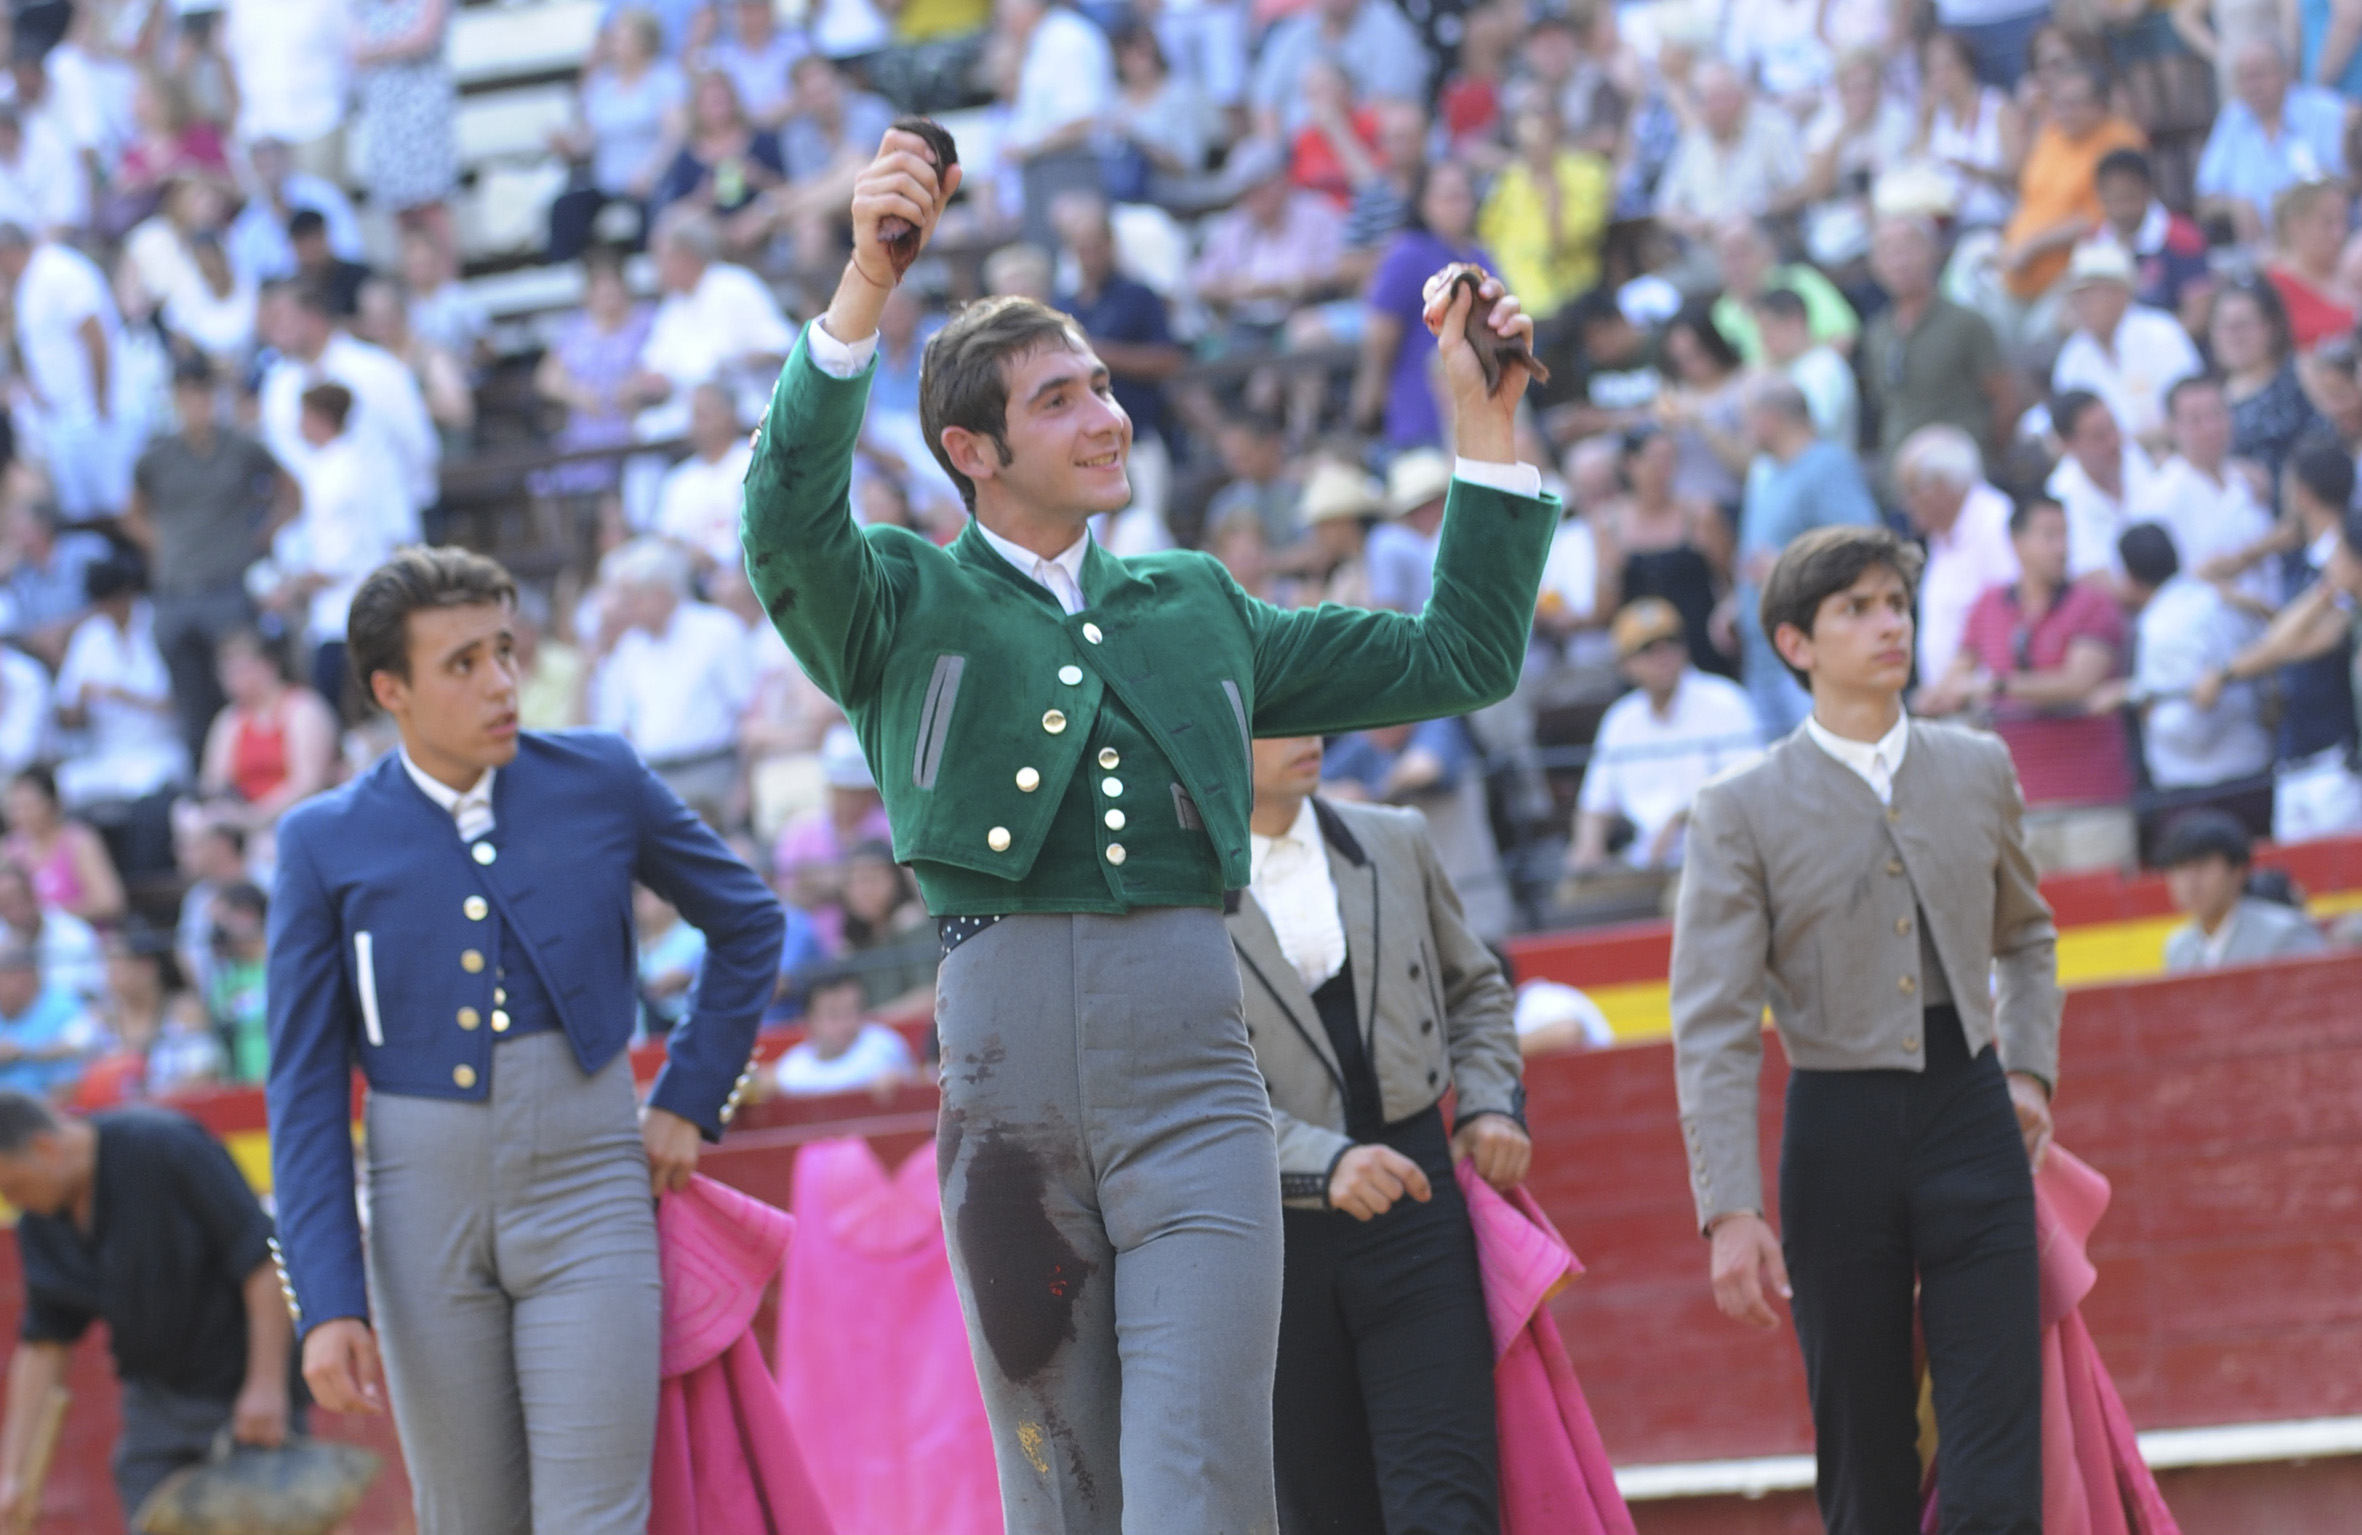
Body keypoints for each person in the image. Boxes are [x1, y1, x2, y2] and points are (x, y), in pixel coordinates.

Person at [742, 128, 1553, 1532]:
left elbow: (1460, 656)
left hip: (1196, 1075)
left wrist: (1483, 426)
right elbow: (781, 518)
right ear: (970, 450)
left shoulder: (1196, 602)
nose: (1107, 413)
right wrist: (865, 284)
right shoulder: (894, 599)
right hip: (1004, 1083)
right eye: (1060, 398)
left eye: (1104, 384)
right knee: (1065, 1486)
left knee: (1205, 1481)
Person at [266, 547, 785, 1534]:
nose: (501, 682)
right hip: (422, 1213)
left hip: (589, 1184)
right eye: (462, 663)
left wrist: (688, 1095)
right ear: (391, 690)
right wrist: (328, 1297)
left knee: (598, 1516)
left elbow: (748, 920)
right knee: (468, 1520)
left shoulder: (598, 774)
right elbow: (302, 1088)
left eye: (504, 650)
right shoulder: (321, 839)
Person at [1672, 523, 2059, 1535]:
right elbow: (1712, 1022)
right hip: (1836, 1132)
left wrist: (2028, 1072)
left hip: (1971, 1108)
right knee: (1864, 1448)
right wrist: (1729, 1208)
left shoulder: (1975, 766)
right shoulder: (1737, 808)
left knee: (1995, 1444)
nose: (1889, 624)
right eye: (1858, 608)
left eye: (1896, 602)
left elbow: (2025, 935)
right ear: (1795, 642)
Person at [1231, 731, 1527, 1533]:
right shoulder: (1175, 887)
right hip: (1274, 1235)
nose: (1309, 736)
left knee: (1450, 1506)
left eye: (1314, 713)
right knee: (1326, 1515)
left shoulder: (1395, 838)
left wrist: (1491, 1102)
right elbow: (1175, 1083)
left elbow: (1474, 990)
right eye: (1277, 718)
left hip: (1416, 1205)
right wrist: (1321, 1162)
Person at [0, 1094, 297, 1524]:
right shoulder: (44, 1215)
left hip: (240, 1399)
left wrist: (266, 1386)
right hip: (154, 1403)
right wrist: (12, 1475)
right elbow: (44, 1343)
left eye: (14, 1187)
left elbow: (262, 1264)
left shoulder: (164, 1145)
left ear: (46, 1148)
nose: (16, 1201)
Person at [1925, 495, 2138, 873]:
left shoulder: (2094, 604)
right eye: (2049, 536)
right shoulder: (1988, 604)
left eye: (2065, 535)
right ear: (2016, 542)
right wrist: (1938, 696)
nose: (2063, 547)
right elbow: (1957, 673)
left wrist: (1995, 687)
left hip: (2091, 800)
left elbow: (2079, 682)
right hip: (2017, 805)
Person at [2190, 446, 2362, 843]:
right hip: (2302, 750)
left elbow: (2293, 643)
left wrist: (2225, 672)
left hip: (2336, 753)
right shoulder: (2309, 558)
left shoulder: (2342, 559)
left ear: (2301, 493)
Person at [126, 357, 293, 760]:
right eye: (187, 395)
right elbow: (131, 512)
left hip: (227, 585)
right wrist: (162, 546)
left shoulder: (241, 447)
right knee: (189, 698)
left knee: (243, 687)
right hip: (175, 590)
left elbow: (290, 491)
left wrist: (259, 538)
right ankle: (204, 781)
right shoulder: (157, 456)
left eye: (202, 393)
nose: (196, 404)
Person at [1567, 598, 1762, 875]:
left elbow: (1748, 792)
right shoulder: (1620, 719)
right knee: (1573, 900)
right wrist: (1587, 847)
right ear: (1625, 665)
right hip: (1645, 863)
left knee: (1681, 898)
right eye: (1647, 649)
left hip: (1722, 855)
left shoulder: (1725, 700)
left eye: (1670, 642)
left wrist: (1678, 819)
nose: (1663, 656)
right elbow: (1595, 805)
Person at [1729, 377, 1878, 739]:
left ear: (1768, 420)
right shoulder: (1766, 473)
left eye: (1745, 420)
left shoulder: (1827, 467)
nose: (1742, 431)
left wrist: (1787, 568)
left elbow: (1864, 548)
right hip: (1763, 657)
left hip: (1809, 659)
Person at [2116, 523, 2273, 825]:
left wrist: (2148, 712)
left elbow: (2191, 728)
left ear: (2130, 579)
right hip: (2251, 773)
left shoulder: (2163, 625)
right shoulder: (2219, 601)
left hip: (2200, 792)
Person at [588, 537, 754, 817]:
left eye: (633, 596)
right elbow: (618, 725)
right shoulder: (628, 648)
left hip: (713, 771)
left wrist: (745, 783)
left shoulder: (718, 630)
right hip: (654, 777)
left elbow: (748, 713)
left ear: (661, 592)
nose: (625, 606)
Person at [0, 223, 137, 522]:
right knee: (86, 515)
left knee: (122, 508)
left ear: (7, 253)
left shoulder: (58, 271)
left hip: (98, 413)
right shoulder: (27, 283)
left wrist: (101, 402)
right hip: (69, 420)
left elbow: (95, 336)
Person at [2130, 375, 2277, 607]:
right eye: (2195, 420)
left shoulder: (2249, 478)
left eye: (2217, 414)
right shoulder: (2160, 497)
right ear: (2172, 427)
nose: (2210, 428)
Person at [2050, 241, 2203, 454]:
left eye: (2090, 293)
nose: (2080, 303)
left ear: (2120, 294)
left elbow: (2192, 412)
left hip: (2168, 454)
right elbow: (2067, 431)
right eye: (2076, 296)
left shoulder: (2162, 334)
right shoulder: (2073, 356)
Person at [2195, 39, 2347, 248]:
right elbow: (2205, 198)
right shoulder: (2232, 119)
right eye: (2244, 78)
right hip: (2257, 252)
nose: (2252, 86)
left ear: (2286, 73)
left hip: (2322, 245)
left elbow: (2348, 181)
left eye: (2259, 75)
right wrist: (2234, 205)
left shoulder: (2325, 111)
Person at [1896, 425, 2019, 685]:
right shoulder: (1941, 534)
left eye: (1911, 490)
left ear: (1942, 486)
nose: (1905, 503)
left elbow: (2009, 614)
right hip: (1950, 704)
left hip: (1987, 704)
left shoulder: (1996, 524)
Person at [195, 629, 340, 841]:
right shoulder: (229, 720)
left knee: (268, 845)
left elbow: (308, 783)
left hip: (295, 819)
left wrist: (255, 817)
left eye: (241, 670)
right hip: (244, 823)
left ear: (269, 667)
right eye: (227, 672)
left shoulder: (302, 709)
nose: (232, 680)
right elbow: (212, 782)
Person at [2157, 811, 2326, 969]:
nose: (2190, 883)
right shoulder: (2178, 948)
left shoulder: (2284, 934)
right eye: (2180, 869)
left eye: (2202, 867)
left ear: (2237, 871)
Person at [2211, 277, 2324, 489]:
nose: (2234, 336)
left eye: (2243, 325)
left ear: (2271, 327)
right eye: (2224, 326)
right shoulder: (2208, 397)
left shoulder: (2303, 378)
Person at [2045, 390, 2156, 584]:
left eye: (2113, 428)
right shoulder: (2060, 496)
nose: (2113, 442)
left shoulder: (2134, 456)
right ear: (2068, 445)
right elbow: (2088, 575)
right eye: (2099, 437)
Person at [2091, 148, 2212, 325]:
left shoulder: (2182, 238)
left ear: (2148, 191)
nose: (2120, 210)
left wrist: (2151, 345)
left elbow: (2198, 316)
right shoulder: (2092, 244)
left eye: (2127, 198)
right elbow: (2068, 315)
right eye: (2112, 200)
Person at [0, 768, 124, 927]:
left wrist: (50, 916)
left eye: (28, 806)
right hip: (25, 945)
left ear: (52, 803)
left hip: (82, 939)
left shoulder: (78, 841)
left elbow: (109, 902)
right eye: (15, 807)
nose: (21, 814)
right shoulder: (9, 849)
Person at [772, 965, 913, 1095]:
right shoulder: (791, 1068)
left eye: (852, 1010)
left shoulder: (885, 1046)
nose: (845, 1024)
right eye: (833, 1015)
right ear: (807, 1021)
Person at [2261, 179, 2356, 352]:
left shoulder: (2354, 271)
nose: (2339, 234)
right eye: (2327, 223)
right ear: (2295, 225)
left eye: (2343, 220)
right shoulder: (2273, 285)